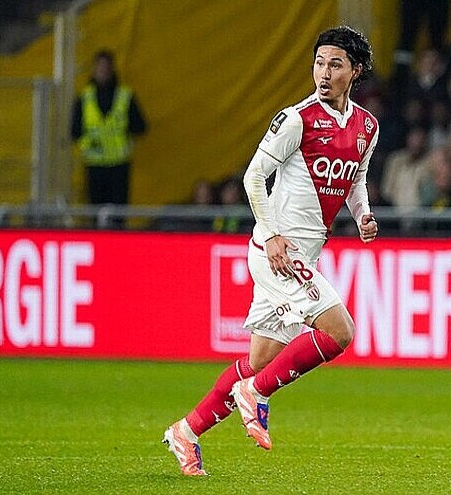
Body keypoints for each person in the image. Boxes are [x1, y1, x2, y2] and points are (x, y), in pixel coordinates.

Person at [162, 26, 379, 476]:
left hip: (303, 255)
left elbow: (355, 180)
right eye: (318, 63)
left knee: (258, 361)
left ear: (355, 71)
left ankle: (186, 431)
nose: (324, 73)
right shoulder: (296, 119)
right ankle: (256, 393)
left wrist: (362, 215)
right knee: (340, 331)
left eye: (335, 64)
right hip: (275, 251)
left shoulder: (367, 127)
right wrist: (272, 233)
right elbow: (253, 177)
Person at [70, 49, 147, 224]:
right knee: (95, 214)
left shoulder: (125, 96)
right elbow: (74, 131)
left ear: (112, 69)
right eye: (100, 67)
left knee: (118, 215)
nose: (103, 71)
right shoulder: (84, 98)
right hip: (94, 164)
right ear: (94, 70)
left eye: (106, 67)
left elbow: (141, 127)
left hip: (119, 164)